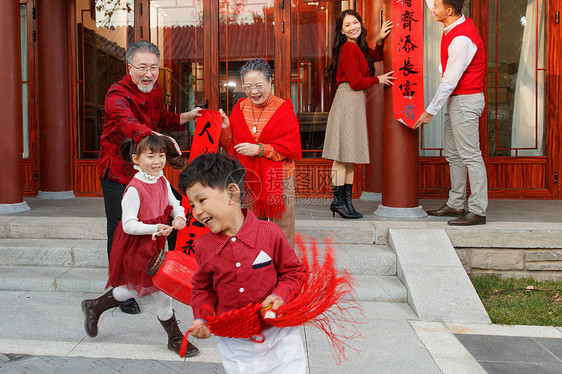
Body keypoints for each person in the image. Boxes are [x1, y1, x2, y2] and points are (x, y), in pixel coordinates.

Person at [98, 40, 202, 313]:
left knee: (170, 213)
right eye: (142, 67)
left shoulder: (154, 90)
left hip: (149, 173)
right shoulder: (116, 94)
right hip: (118, 173)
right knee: (122, 230)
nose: (148, 73)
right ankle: (121, 289)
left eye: (153, 67)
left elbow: (163, 118)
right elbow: (129, 124)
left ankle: (161, 276)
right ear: (129, 67)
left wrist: (189, 116)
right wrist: (157, 137)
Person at [178, 152, 306, 374]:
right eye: (192, 204)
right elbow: (202, 287)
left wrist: (280, 295)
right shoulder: (203, 246)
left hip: (279, 334)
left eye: (201, 200)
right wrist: (202, 317)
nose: (197, 211)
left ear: (232, 193)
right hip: (234, 339)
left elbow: (294, 272)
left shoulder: (270, 233)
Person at [83, 135, 199, 357]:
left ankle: (95, 306)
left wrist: (179, 217)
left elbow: (175, 204)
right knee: (160, 289)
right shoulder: (135, 189)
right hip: (136, 247)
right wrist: (156, 228)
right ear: (136, 159)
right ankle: (175, 339)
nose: (157, 161)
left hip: (154, 244)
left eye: (161, 155)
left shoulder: (162, 180)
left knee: (137, 287)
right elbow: (128, 225)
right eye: (151, 156)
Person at [413, 0, 487, 226]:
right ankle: (456, 203)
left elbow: (449, 81)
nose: (432, 9)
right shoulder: (454, 21)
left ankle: (478, 210)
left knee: (470, 155)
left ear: (449, 10)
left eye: (436, 6)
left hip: (466, 100)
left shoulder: (461, 39)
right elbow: (432, 3)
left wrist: (429, 111)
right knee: (454, 154)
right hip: (457, 100)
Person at [218, 59, 301, 248]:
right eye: (248, 86)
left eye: (258, 86)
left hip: (278, 174)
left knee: (283, 225)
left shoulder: (283, 108)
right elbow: (230, 145)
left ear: (270, 82)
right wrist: (225, 128)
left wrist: (260, 149)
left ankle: (286, 268)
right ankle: (255, 267)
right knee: (251, 224)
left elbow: (291, 147)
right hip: (249, 176)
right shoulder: (239, 107)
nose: (253, 91)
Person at [323, 10, 395, 219]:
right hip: (348, 98)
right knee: (341, 155)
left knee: (350, 155)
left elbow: (377, 55)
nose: (353, 27)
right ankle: (338, 201)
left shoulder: (358, 48)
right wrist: (377, 80)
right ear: (342, 31)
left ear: (361, 25)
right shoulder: (348, 48)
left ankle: (346, 202)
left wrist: (380, 39)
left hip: (354, 100)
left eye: (355, 22)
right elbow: (355, 81)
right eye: (347, 25)